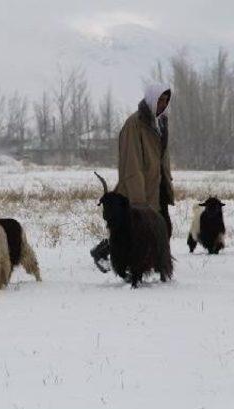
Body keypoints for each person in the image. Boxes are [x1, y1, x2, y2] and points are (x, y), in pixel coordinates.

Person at [90, 83, 174, 273]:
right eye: (160, 99)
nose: (163, 104)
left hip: (157, 185)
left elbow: (162, 155)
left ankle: (147, 263)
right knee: (129, 231)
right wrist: (138, 200)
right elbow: (131, 162)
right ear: (151, 99)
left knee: (163, 228)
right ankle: (104, 253)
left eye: (166, 100)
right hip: (137, 189)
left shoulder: (161, 122)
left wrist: (167, 181)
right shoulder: (134, 124)